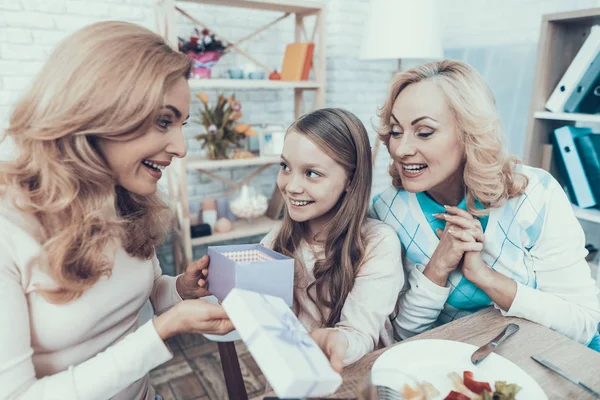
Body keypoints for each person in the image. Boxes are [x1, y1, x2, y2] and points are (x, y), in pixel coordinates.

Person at [0, 21, 234, 400]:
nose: (180, 146)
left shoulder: (126, 198)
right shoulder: (9, 229)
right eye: (163, 121)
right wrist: (162, 331)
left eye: (181, 124)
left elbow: (143, 291)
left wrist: (179, 290)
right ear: (96, 112)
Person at [371, 60, 600, 350]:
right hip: (459, 362)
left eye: (424, 132)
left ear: (469, 132)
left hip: (553, 353)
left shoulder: (534, 195)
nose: (401, 149)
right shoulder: (387, 211)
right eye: (395, 131)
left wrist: (485, 277)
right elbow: (402, 337)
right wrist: (438, 267)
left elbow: (582, 324)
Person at [260, 108, 404, 371]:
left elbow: (360, 334)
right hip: (297, 375)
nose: (291, 187)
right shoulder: (275, 242)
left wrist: (337, 341)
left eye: (311, 173)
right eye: (285, 167)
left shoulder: (377, 243)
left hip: (359, 377)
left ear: (351, 179)